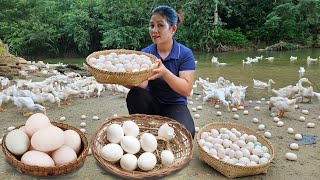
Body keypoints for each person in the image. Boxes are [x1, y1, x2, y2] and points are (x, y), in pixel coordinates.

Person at [126, 5, 196, 138]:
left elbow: (186, 89)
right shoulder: (146, 53)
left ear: (173, 29)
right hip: (151, 104)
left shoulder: (185, 54)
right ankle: (146, 129)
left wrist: (165, 72)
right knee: (135, 94)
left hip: (174, 105)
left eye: (160, 25)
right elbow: (142, 85)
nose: (154, 30)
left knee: (186, 134)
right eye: (152, 25)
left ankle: (157, 129)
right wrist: (123, 80)